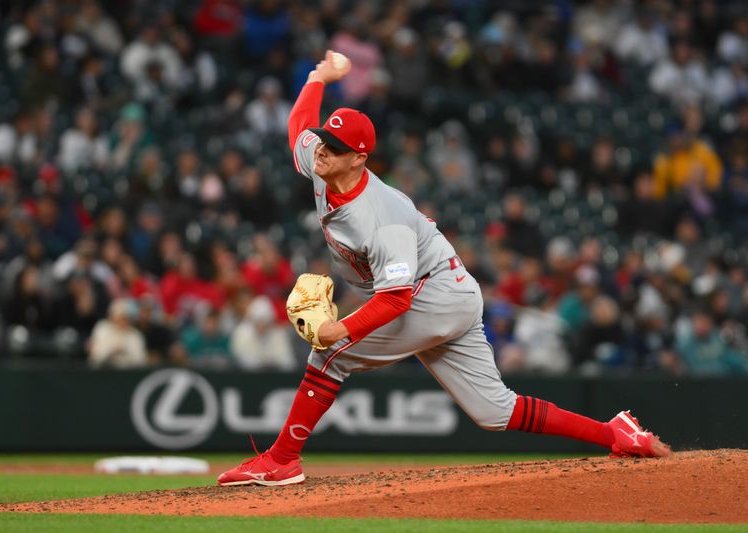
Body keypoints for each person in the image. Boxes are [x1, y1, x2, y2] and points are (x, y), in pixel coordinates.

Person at [213, 51, 670, 487]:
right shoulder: (320, 161)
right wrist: (317, 78)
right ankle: (615, 434)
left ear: (359, 158)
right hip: (450, 288)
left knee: (330, 355)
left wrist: (341, 329)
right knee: (495, 411)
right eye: (325, 142)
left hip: (433, 294)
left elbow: (396, 299)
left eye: (335, 147)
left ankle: (281, 461)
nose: (322, 151)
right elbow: (299, 128)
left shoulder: (383, 215)